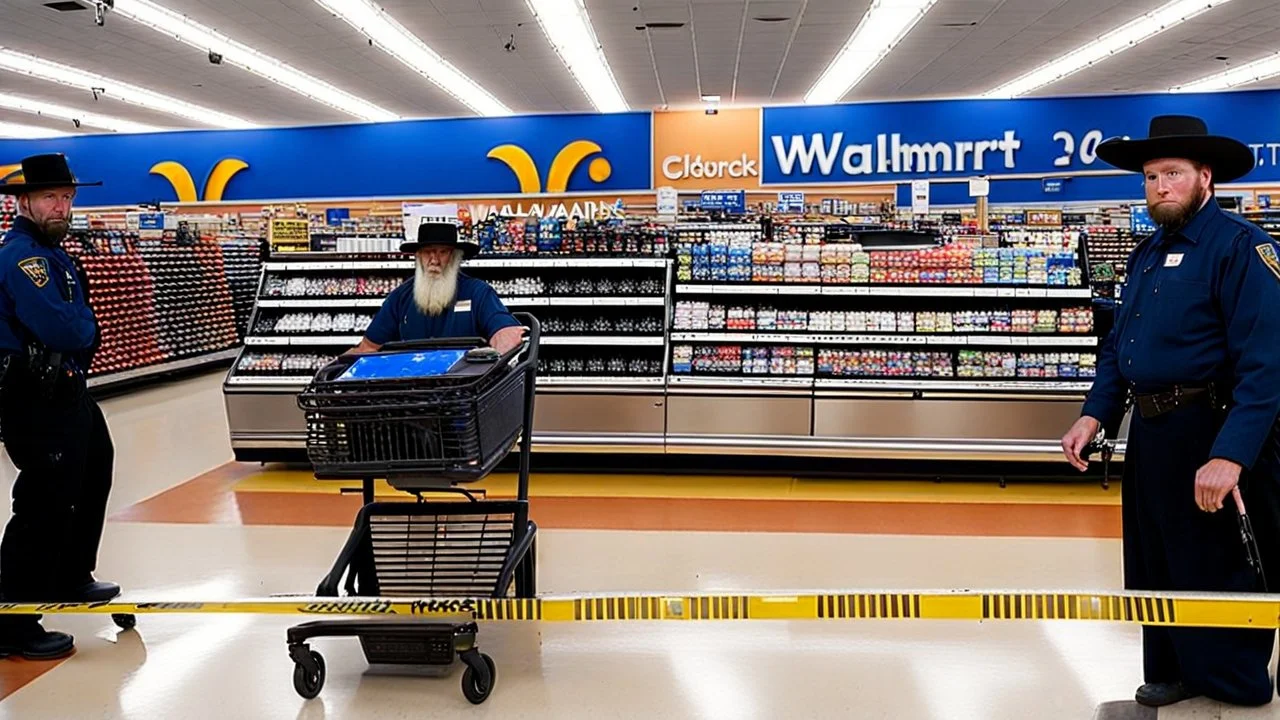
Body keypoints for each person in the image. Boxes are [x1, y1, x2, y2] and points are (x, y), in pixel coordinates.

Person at [1061, 116, 1280, 708]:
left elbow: (1267, 363)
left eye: (1173, 175)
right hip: (1152, 431)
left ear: (1204, 178)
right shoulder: (1147, 253)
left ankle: (1231, 678)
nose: (1160, 187)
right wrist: (1095, 414)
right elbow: (1121, 346)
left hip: (1212, 426)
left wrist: (1231, 455)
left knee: (1217, 559)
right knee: (1156, 553)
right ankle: (1172, 666)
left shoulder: (1241, 248)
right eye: (1151, 176)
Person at [0, 153, 120, 660]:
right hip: (34, 394)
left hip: (66, 387)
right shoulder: (22, 257)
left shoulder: (52, 252)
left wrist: (79, 327)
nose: (61, 206)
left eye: (67, 197)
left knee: (95, 467)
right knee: (43, 502)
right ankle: (12, 621)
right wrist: (83, 327)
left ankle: (70, 574)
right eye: (50, 197)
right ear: (22, 201)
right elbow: (64, 326)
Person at [352, 220, 524, 353]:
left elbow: (508, 333)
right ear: (418, 256)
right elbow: (368, 347)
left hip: (464, 389)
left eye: (442, 252)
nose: (434, 260)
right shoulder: (400, 297)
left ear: (455, 256)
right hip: (412, 389)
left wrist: (490, 362)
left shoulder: (478, 293)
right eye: (428, 252)